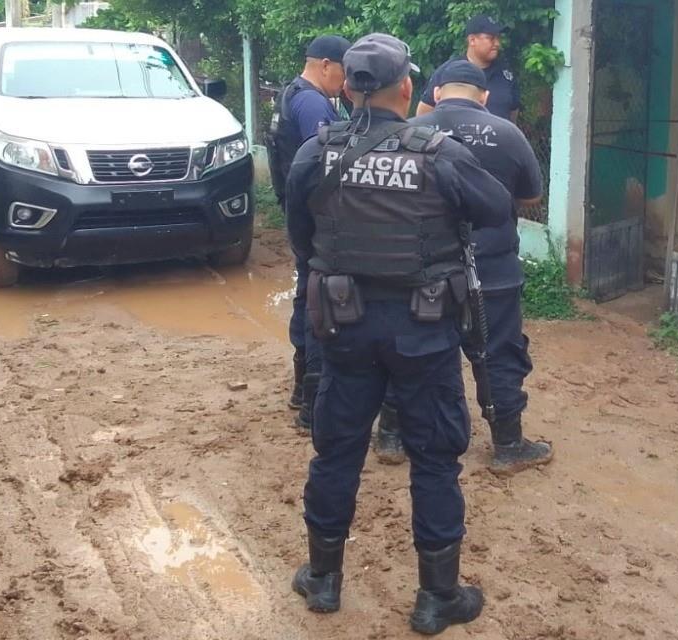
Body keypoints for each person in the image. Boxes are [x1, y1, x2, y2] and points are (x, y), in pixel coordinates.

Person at [286, 34, 512, 635]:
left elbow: (301, 240)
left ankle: (323, 580)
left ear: (350, 87)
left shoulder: (316, 151)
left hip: (345, 326)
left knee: (336, 451)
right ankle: (438, 599)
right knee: (434, 461)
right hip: (425, 329)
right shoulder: (441, 153)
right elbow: (497, 211)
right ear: (408, 87)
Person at [372, 60, 552, 474]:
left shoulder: (408, 133)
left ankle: (391, 436)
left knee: (410, 347)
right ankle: (508, 444)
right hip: (493, 267)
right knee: (499, 351)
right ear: (485, 97)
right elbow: (529, 199)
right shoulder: (508, 134)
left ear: (435, 93)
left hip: (422, 267)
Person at [266, 34, 351, 431]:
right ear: (326, 65)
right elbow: (321, 166)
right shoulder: (313, 103)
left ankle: (303, 386)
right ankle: (311, 395)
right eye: (344, 71)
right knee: (319, 300)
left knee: (308, 295)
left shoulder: (293, 93)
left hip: (301, 214)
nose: (346, 80)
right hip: (317, 218)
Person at [415, 15, 521, 122]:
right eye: (491, 38)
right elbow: (424, 113)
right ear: (472, 40)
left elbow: (513, 113)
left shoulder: (506, 74)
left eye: (498, 38)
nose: (497, 43)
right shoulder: (448, 72)